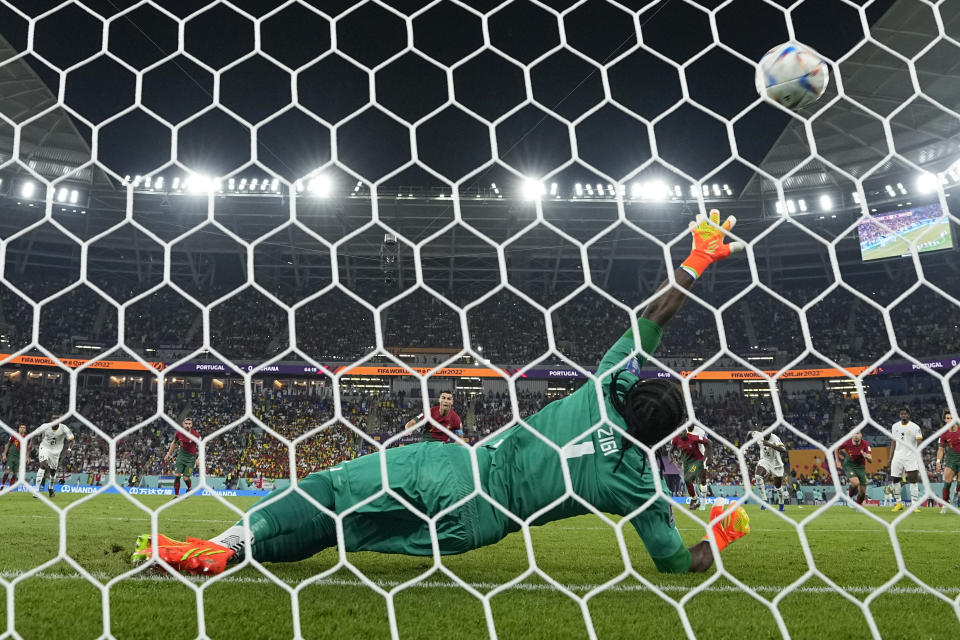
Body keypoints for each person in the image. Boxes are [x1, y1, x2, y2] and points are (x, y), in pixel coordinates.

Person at [132, 210, 751, 577]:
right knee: (342, 534)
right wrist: (716, 539)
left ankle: (223, 546)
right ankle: (234, 555)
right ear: (663, 441)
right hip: (474, 529)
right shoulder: (638, 485)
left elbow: (652, 318)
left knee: (329, 499)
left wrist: (696, 258)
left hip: (460, 470)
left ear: (633, 389)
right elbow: (674, 563)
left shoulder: (604, 385)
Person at [671, 425, 712, 510]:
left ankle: (703, 501)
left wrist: (708, 457)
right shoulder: (679, 435)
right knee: (688, 480)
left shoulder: (700, 431)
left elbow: (707, 443)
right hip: (688, 460)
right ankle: (695, 499)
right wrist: (677, 458)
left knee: (702, 479)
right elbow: (674, 446)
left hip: (700, 456)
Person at [889, 408, 923, 513]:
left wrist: (919, 455)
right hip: (898, 456)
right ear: (900, 415)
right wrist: (891, 456)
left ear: (909, 415)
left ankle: (914, 504)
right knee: (895, 479)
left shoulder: (915, 427)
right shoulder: (895, 426)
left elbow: (919, 442)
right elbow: (893, 442)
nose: (903, 415)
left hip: (911, 456)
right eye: (901, 414)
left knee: (913, 479)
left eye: (905, 414)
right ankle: (899, 503)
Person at [749, 430, 788, 511]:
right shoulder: (758, 435)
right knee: (757, 476)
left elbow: (783, 450)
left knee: (778, 487)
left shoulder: (775, 439)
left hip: (776, 463)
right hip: (765, 461)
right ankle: (764, 500)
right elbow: (750, 433)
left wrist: (770, 445)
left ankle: (781, 505)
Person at [33, 423, 74, 499]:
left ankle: (50, 488)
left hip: (55, 452)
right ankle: (36, 490)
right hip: (44, 447)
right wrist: (34, 443)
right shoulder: (45, 426)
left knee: (53, 471)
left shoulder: (64, 428)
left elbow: (72, 440)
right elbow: (34, 434)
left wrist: (69, 449)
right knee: (43, 466)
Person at [164, 418, 200, 498]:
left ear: (192, 425)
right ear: (183, 424)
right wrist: (168, 454)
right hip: (181, 456)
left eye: (189, 424)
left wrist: (199, 458)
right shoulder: (178, 433)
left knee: (186, 478)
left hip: (191, 458)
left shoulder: (196, 435)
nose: (188, 425)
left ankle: (189, 488)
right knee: (177, 475)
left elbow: (202, 445)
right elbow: (173, 443)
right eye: (186, 423)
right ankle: (176, 495)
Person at [836, 431, 872, 505]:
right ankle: (850, 497)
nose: (856, 435)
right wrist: (837, 460)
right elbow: (836, 448)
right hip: (849, 465)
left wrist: (866, 456)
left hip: (861, 467)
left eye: (858, 433)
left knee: (862, 493)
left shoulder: (866, 444)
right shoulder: (847, 443)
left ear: (861, 435)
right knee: (855, 483)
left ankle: (858, 505)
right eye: (854, 433)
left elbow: (870, 460)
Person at [935, 409, 958, 515]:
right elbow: (940, 449)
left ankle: (956, 492)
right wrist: (938, 462)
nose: (950, 420)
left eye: (952, 418)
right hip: (951, 460)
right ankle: (944, 505)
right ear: (945, 420)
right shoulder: (943, 434)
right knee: (947, 483)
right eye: (948, 418)